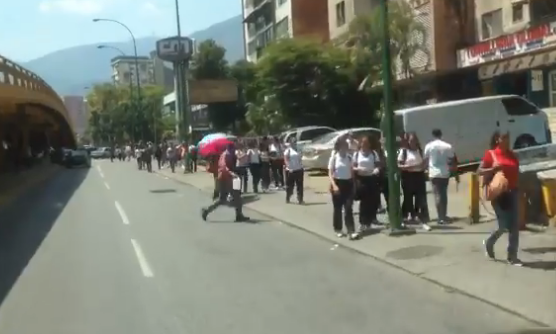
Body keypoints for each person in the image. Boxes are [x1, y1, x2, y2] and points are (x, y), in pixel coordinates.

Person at [478, 131, 522, 266]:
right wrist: (492, 168)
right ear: (498, 139)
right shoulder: (491, 154)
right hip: (499, 194)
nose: (507, 140)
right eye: (504, 138)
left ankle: (512, 256)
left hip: (513, 192)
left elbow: (517, 171)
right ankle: (489, 242)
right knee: (503, 225)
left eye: (508, 137)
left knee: (515, 225)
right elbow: (479, 171)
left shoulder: (512, 154)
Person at [201, 143, 250, 222]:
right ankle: (239, 215)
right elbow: (224, 167)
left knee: (222, 199)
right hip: (228, 178)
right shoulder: (226, 154)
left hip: (223, 177)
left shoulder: (227, 154)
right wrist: (231, 173)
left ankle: (207, 210)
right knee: (237, 197)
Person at [424, 129, 458, 225]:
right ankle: (444, 214)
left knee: (437, 195)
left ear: (433, 135)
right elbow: (451, 159)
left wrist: (426, 170)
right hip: (444, 173)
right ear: (441, 135)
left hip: (433, 173)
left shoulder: (429, 146)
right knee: (443, 195)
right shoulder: (447, 146)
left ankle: (440, 217)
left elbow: (426, 159)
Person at [398, 132, 430, 230]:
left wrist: (422, 167)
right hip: (407, 176)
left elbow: (425, 163)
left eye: (414, 140)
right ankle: (409, 215)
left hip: (419, 176)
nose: (413, 142)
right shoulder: (404, 152)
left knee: (420, 196)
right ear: (408, 141)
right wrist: (412, 167)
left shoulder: (420, 151)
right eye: (411, 140)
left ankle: (417, 215)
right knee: (408, 196)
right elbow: (399, 165)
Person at [328, 138, 358, 240]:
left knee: (348, 207)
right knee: (338, 208)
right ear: (339, 147)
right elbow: (330, 173)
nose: (346, 147)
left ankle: (351, 230)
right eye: (344, 146)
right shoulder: (334, 158)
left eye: (346, 146)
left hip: (348, 183)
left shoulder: (349, 158)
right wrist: (334, 186)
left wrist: (354, 184)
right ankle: (338, 229)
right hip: (337, 183)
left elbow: (352, 172)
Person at [353, 135, 381, 230]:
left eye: (366, 143)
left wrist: (376, 170)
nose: (364, 145)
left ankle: (369, 221)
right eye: (363, 143)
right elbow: (353, 167)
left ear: (369, 144)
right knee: (364, 202)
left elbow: (378, 165)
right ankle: (363, 222)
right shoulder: (357, 154)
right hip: (361, 179)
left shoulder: (373, 153)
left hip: (371, 179)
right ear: (360, 144)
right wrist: (358, 169)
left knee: (372, 202)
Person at [284, 138, 304, 204]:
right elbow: (286, 160)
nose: (294, 143)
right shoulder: (288, 151)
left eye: (295, 142)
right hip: (290, 171)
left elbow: (300, 158)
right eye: (292, 142)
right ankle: (288, 197)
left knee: (300, 185)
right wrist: (288, 167)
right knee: (290, 186)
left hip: (299, 170)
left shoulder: (298, 150)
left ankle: (300, 198)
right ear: (290, 143)